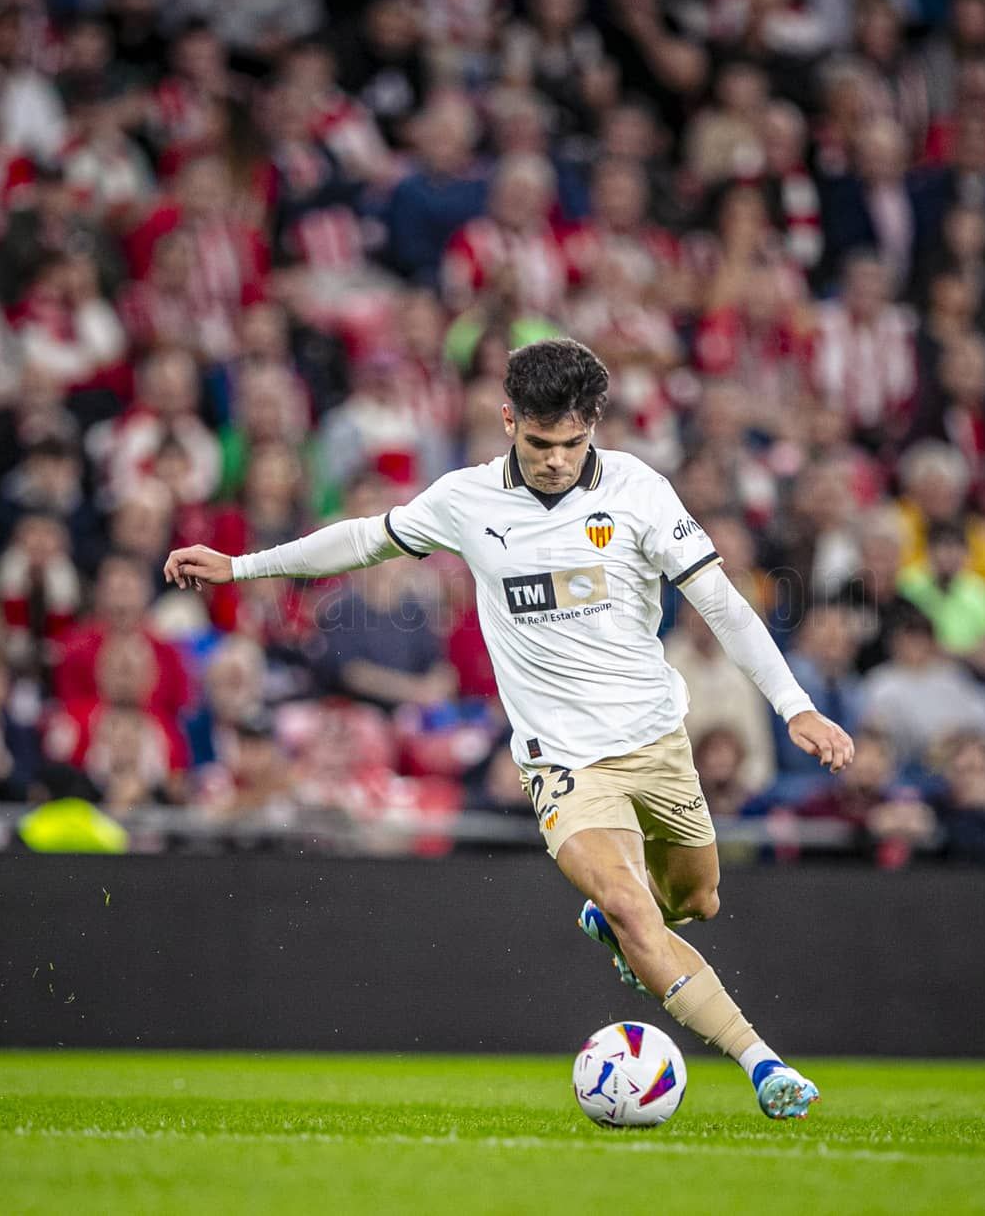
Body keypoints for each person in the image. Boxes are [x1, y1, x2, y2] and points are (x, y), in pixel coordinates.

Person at [165, 338, 852, 1119]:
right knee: (635, 909)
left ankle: (619, 919)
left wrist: (795, 704)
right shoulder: (467, 499)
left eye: (571, 443)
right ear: (507, 421)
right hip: (560, 759)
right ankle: (764, 1065)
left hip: (656, 740)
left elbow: (723, 603)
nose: (556, 460)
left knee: (695, 899)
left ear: (593, 425)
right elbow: (363, 537)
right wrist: (242, 566)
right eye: (538, 442)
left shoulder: (640, 491)